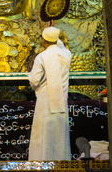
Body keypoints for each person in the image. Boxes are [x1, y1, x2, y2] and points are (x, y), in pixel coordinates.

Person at [28, 26, 72, 161]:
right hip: (61, 99)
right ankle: (61, 163)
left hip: (45, 100)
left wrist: (40, 87)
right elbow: (62, 46)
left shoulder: (42, 56)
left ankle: (41, 163)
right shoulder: (66, 54)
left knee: (43, 134)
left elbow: (34, 80)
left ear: (43, 41)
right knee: (59, 133)